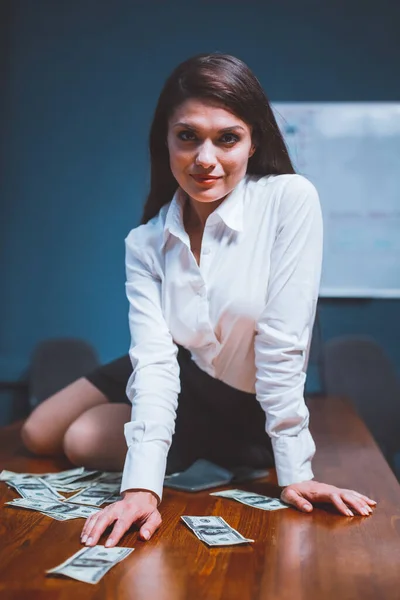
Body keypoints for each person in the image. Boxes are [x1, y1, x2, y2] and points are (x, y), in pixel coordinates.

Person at [21, 53, 376, 548]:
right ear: (165, 140)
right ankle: (168, 449)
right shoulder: (144, 242)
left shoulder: (290, 199)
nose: (205, 159)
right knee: (39, 432)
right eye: (187, 136)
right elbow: (156, 361)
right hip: (179, 362)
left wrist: (294, 470)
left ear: (254, 142)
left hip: (239, 396)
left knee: (81, 439)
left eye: (227, 138)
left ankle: (238, 452)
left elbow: (283, 346)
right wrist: (141, 487)